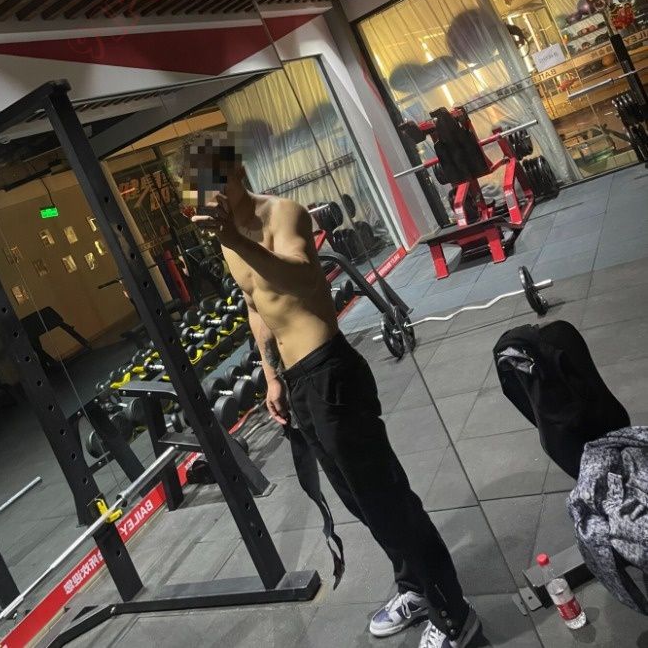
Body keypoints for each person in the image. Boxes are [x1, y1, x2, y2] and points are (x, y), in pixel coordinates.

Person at [190, 138, 480, 648]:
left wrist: (235, 238)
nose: (208, 195)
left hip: (330, 371)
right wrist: (271, 374)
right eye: (199, 187)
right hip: (299, 382)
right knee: (359, 501)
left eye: (214, 182)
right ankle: (415, 588)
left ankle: (455, 615)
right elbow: (255, 302)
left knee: (386, 499)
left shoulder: (283, 213)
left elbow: (302, 278)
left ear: (237, 174)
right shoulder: (227, 238)